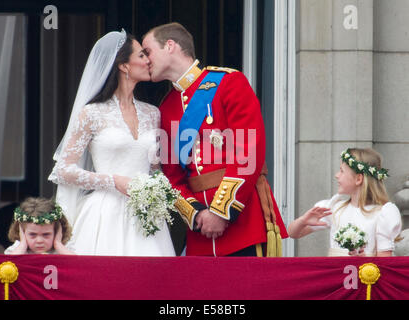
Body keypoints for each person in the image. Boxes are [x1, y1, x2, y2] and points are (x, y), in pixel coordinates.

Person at [142, 22, 288, 257]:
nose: (145, 60)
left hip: (243, 223)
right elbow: (171, 176)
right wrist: (198, 214)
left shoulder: (229, 82)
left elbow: (248, 153)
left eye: (148, 51)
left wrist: (221, 212)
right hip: (201, 233)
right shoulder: (167, 107)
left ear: (170, 46)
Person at [48, 30, 175, 256]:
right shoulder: (92, 113)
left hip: (146, 215)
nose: (148, 61)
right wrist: (113, 181)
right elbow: (63, 170)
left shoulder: (152, 113)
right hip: (104, 215)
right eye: (142, 55)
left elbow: (155, 170)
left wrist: (157, 190)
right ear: (124, 66)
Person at [288, 148, 402, 257]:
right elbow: (293, 233)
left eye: (342, 171)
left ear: (358, 179)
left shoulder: (382, 213)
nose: (337, 175)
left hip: (365, 275)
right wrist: (303, 221)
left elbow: (385, 260)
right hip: (335, 275)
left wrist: (366, 259)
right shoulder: (335, 208)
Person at [5, 197, 73, 255]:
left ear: (57, 232)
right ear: (22, 232)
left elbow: (77, 265)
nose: (39, 241)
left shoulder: (64, 249)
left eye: (46, 234)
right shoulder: (18, 249)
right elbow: (8, 264)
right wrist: (22, 245)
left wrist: (58, 244)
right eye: (32, 234)